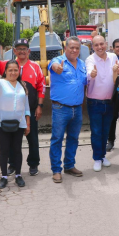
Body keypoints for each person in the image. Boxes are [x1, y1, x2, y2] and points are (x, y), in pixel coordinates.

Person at [0, 35, 45, 176]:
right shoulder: (8, 65)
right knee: (13, 141)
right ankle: (12, 164)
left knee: (32, 139)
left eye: (24, 49)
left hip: (29, 110)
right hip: (11, 113)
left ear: (29, 51)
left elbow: (41, 87)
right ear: (14, 50)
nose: (22, 52)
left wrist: (39, 106)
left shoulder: (36, 67)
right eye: (19, 49)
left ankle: (33, 164)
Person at [0, 60, 30, 188]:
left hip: (19, 123)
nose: (13, 72)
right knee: (4, 150)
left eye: (15, 70)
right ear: (6, 71)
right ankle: (4, 176)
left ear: (18, 71)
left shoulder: (22, 85)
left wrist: (28, 123)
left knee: (17, 150)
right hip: (3, 123)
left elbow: (26, 106)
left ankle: (18, 175)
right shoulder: (1, 83)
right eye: (10, 70)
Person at [48, 36, 87, 183]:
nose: (75, 50)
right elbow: (53, 67)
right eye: (72, 47)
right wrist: (56, 68)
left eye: (77, 48)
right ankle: (56, 170)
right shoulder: (58, 61)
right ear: (66, 48)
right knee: (57, 139)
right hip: (60, 108)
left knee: (73, 139)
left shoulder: (82, 64)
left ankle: (69, 165)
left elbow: (84, 82)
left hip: (77, 109)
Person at [85, 35, 117, 172]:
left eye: (101, 44)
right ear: (93, 47)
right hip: (95, 102)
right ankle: (97, 158)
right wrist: (91, 74)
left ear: (106, 44)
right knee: (97, 132)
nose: (99, 47)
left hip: (110, 101)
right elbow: (88, 72)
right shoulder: (90, 59)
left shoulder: (113, 57)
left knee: (105, 131)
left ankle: (103, 156)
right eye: (96, 45)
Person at [107, 38, 119, 152]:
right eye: (117, 47)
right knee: (113, 118)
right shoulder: (110, 59)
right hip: (114, 93)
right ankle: (111, 141)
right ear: (113, 48)